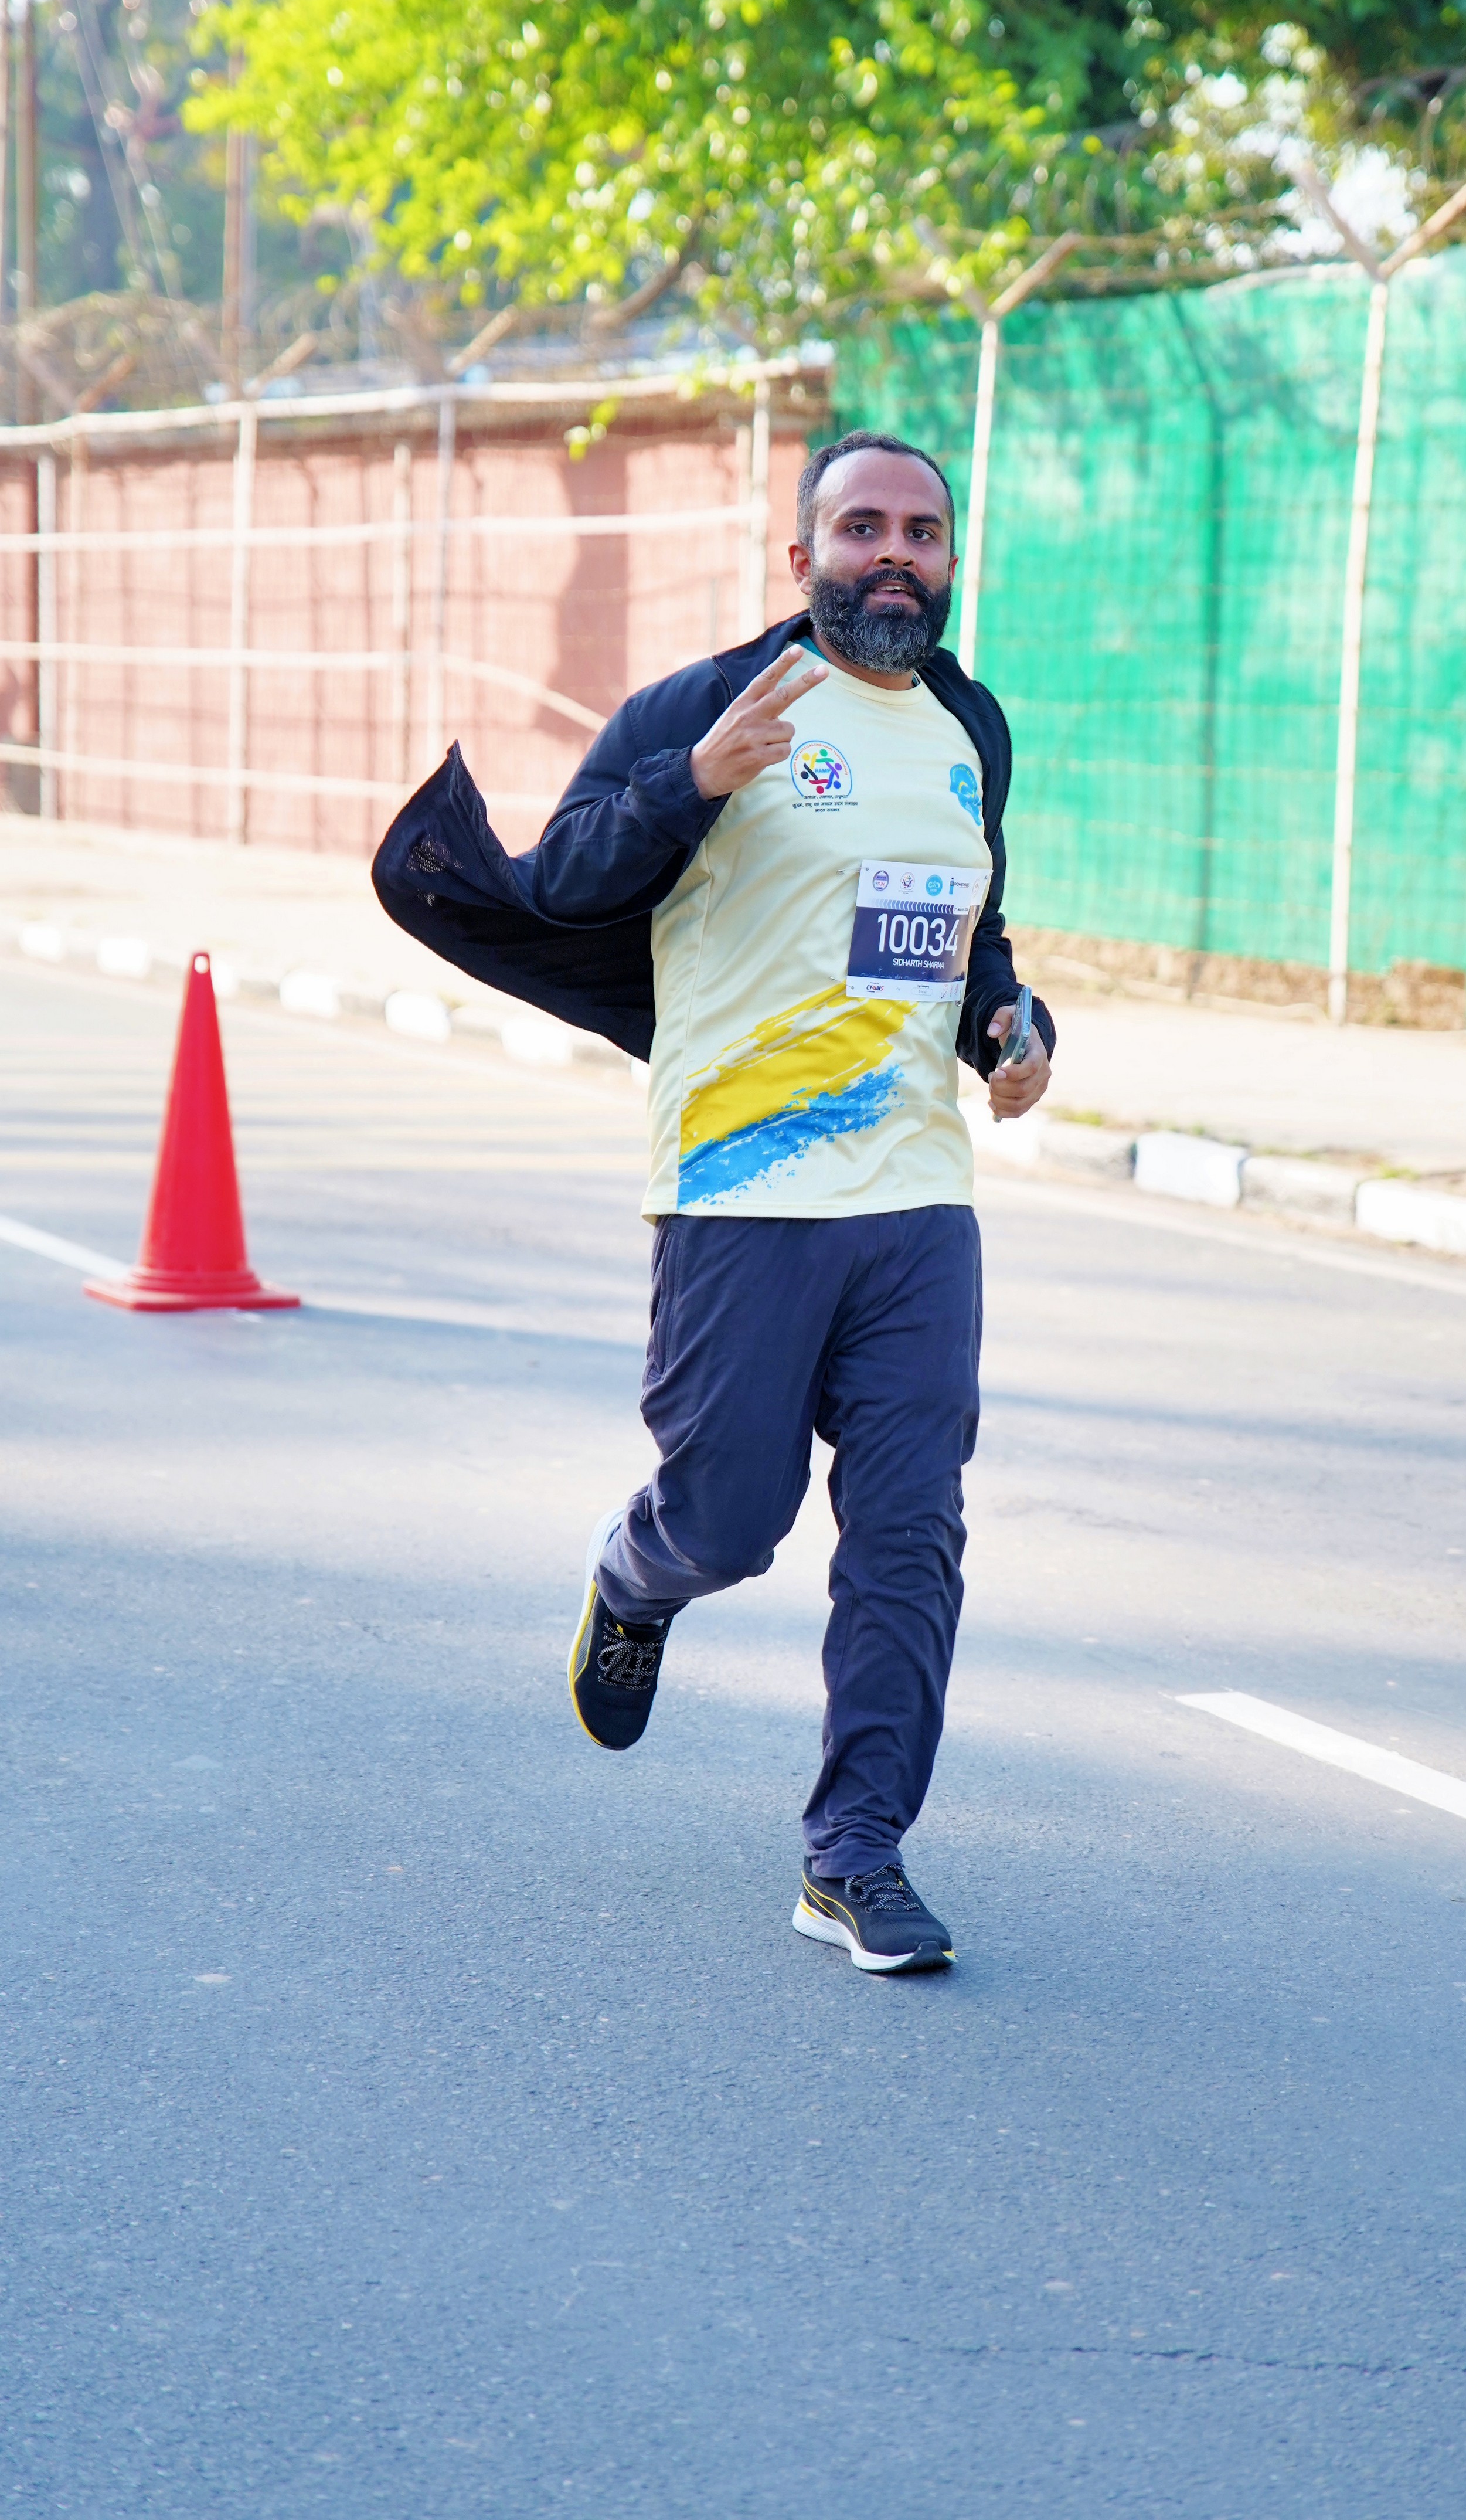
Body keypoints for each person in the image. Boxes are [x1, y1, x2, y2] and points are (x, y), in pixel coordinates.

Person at [373, 430, 1054, 1973]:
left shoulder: (971, 728)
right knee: (733, 1518)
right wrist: (689, 786)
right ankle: (638, 1574)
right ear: (803, 556)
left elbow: (965, 935)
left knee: (911, 1532)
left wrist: (1011, 1032)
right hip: (743, 1193)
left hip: (916, 1202)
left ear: (952, 559)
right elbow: (563, 882)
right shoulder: (710, 706)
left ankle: (856, 1856)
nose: (896, 555)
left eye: (924, 532)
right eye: (864, 528)